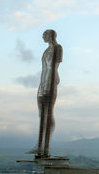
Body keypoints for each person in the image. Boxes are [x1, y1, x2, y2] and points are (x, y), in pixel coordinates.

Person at [29, 29, 63, 158]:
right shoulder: (46, 50)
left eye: (45, 34)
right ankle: (39, 146)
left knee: (48, 114)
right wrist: (42, 86)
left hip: (50, 84)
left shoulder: (58, 48)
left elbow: (54, 68)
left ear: (50, 36)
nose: (43, 36)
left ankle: (45, 147)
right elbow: (45, 69)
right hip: (42, 84)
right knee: (41, 114)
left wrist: (50, 84)